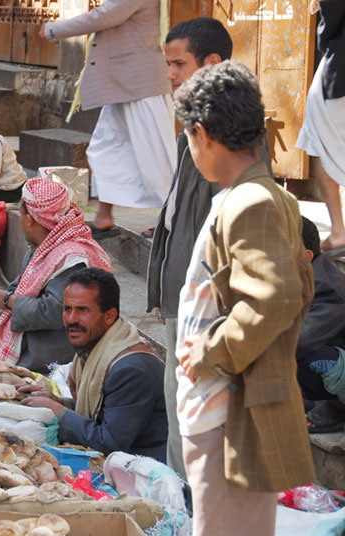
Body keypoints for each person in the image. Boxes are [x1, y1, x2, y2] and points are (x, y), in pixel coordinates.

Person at [174, 61, 314, 536]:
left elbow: (275, 298)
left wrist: (209, 352)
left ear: (201, 133)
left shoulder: (251, 202)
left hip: (229, 415)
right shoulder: (253, 196)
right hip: (220, 409)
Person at [145, 17, 232, 479]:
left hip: (207, 311)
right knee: (179, 412)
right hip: (182, 301)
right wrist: (161, 287)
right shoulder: (191, 134)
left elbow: (222, 232)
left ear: (212, 64)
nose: (172, 74)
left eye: (180, 64)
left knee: (195, 422)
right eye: (169, 64)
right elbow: (176, 219)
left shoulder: (227, 139)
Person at [41, 0, 176, 238]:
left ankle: (174, 221)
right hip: (124, 83)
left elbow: (104, 16)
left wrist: (54, 30)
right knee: (105, 149)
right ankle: (104, 216)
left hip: (142, 83)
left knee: (157, 159)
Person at [20, 268, 167, 461]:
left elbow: (110, 442)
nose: (72, 319)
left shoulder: (130, 369)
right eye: (67, 309)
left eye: (83, 310)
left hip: (146, 470)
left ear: (109, 316)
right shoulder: (96, 349)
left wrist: (59, 413)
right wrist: (60, 403)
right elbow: (103, 409)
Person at [0, 178, 112, 374]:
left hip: (53, 362)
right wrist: (10, 294)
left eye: (20, 214)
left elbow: (54, 311)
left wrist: (8, 300)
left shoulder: (70, 259)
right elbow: (22, 283)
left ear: (29, 219)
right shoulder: (42, 247)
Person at [296, 0, 345, 255]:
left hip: (340, 65)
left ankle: (338, 231)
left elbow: (333, 13)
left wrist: (326, 41)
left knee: (317, 137)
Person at [296, 216, 345, 432]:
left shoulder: (326, 288)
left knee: (290, 346)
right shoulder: (307, 271)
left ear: (306, 256)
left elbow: (299, 341)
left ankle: (337, 407)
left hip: (337, 363)